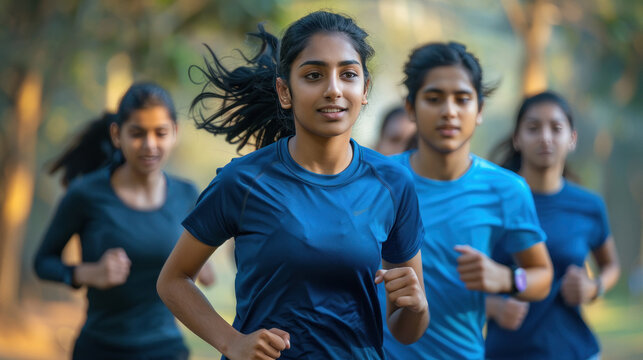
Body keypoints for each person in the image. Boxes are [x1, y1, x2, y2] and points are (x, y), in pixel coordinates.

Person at [156, 11, 429, 360]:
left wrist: (417, 307)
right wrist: (231, 341)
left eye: (348, 74)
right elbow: (173, 280)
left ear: (364, 90)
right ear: (285, 91)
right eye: (314, 75)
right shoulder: (242, 181)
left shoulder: (392, 183)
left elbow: (406, 330)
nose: (333, 89)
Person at [379, 42, 554, 360]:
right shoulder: (380, 180)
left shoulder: (506, 189)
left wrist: (506, 278)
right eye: (434, 99)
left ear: (480, 109)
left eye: (462, 99)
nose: (449, 111)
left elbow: (542, 274)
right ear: (410, 107)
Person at [34, 83, 213, 360]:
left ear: (174, 134)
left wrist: (203, 266)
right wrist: (89, 273)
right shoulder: (86, 193)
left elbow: (202, 270)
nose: (150, 144)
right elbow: (43, 262)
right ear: (117, 135)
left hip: (165, 348)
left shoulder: (187, 194)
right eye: (137, 133)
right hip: (100, 348)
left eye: (160, 133)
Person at [485, 91, 620, 360]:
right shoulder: (491, 202)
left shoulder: (588, 205)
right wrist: (493, 307)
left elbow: (611, 265)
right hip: (506, 352)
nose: (545, 137)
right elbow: (456, 276)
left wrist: (594, 288)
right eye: (533, 128)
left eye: (556, 128)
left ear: (572, 138)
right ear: (517, 138)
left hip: (575, 351)